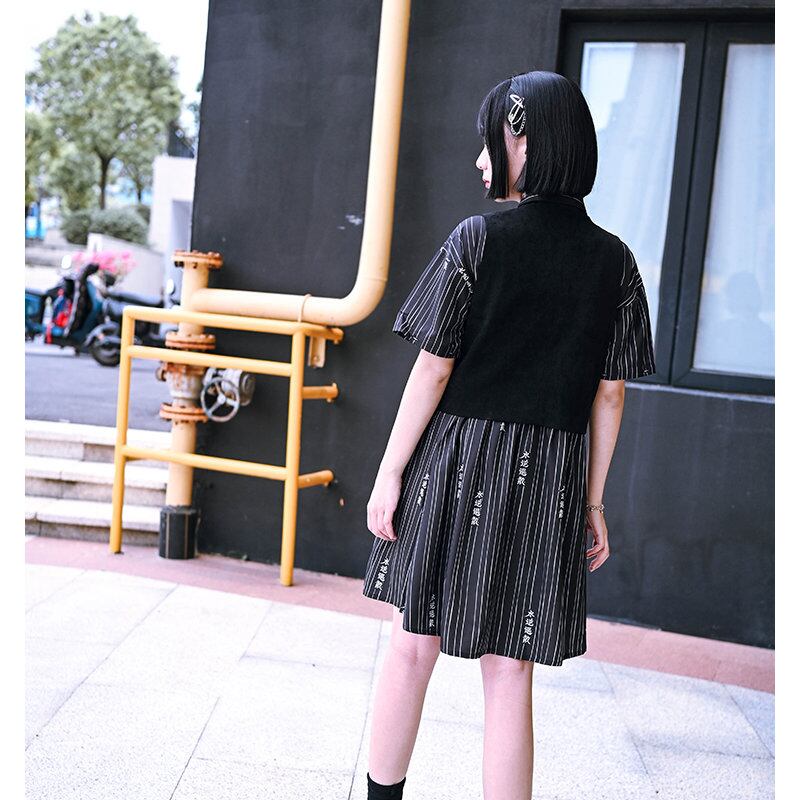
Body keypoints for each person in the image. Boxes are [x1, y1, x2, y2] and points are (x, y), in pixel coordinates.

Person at [361, 70, 656, 800]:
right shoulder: (616, 262)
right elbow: (610, 393)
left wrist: (390, 471)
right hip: (550, 475)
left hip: (457, 462)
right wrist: (592, 502)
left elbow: (433, 369)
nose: (480, 159)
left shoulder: (477, 241)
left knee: (412, 645)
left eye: (490, 139)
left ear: (523, 139)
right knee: (510, 669)